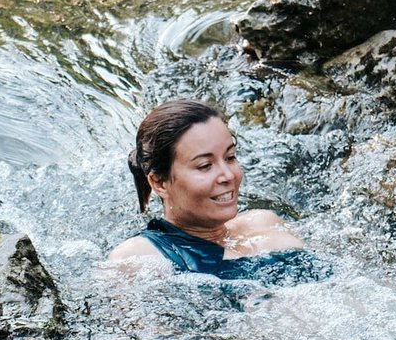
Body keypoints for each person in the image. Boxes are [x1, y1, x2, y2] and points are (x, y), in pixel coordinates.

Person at [107, 98, 321, 280]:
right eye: (205, 166)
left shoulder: (265, 221)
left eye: (230, 157)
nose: (228, 175)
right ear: (159, 183)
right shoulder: (139, 258)